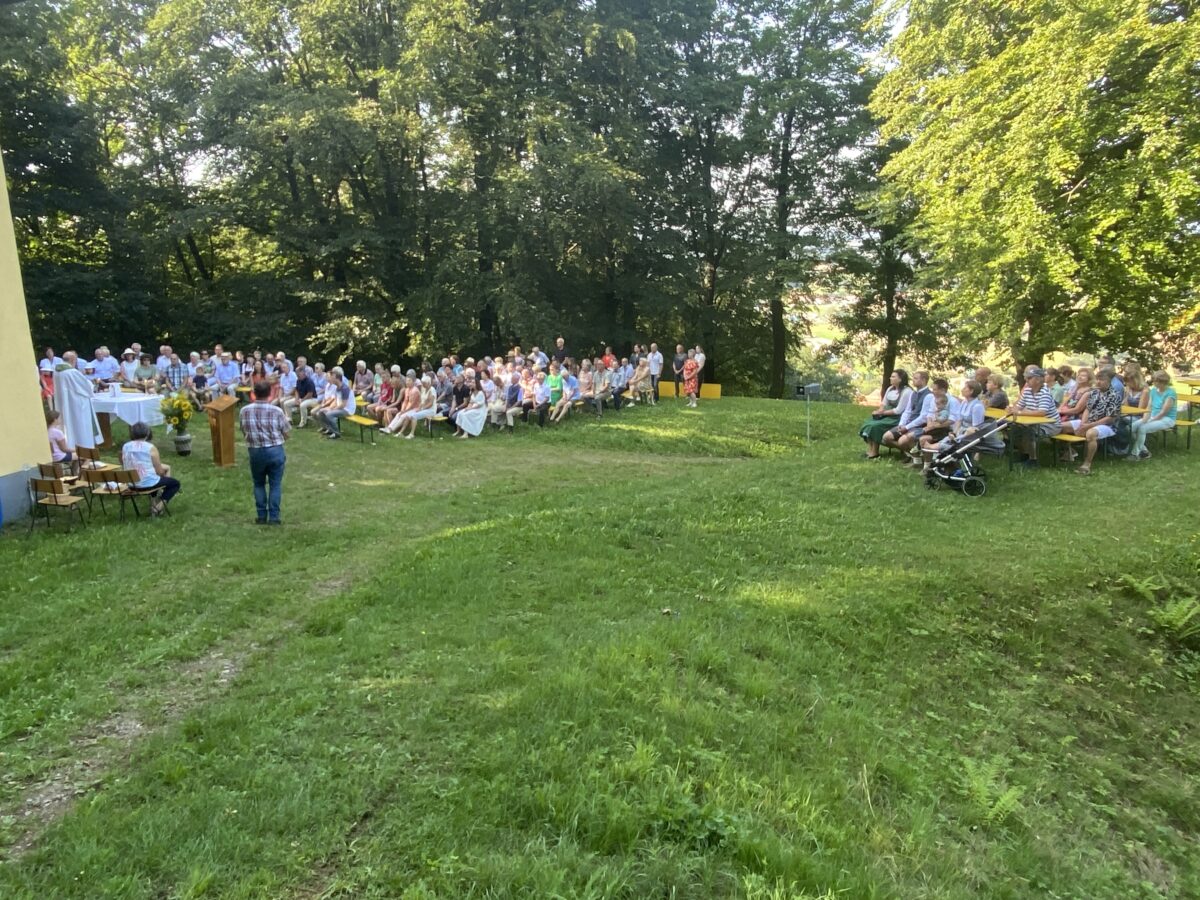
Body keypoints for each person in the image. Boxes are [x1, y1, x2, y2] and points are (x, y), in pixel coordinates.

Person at [238, 380, 290, 524]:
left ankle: (261, 516)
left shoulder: (244, 410)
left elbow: (243, 430)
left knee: (259, 483)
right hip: (275, 450)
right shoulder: (277, 411)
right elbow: (286, 433)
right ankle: (274, 517)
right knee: (275, 484)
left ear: (254, 393)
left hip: (255, 451)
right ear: (270, 393)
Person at [121, 422, 181, 516]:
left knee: (153, 477)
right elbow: (159, 471)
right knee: (174, 484)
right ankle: (158, 508)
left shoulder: (126, 446)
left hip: (131, 484)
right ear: (147, 433)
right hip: (147, 484)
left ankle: (153, 502)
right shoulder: (150, 448)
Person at [1007, 366, 1060, 468]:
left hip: (1051, 425)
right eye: (1026, 378)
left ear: (1038, 379)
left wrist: (1019, 412)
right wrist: (1011, 409)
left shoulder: (1045, 393)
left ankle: (1033, 460)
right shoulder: (1027, 391)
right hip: (1033, 422)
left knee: (1029, 432)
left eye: (1029, 378)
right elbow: (1019, 406)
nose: (1026, 380)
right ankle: (1024, 454)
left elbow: (1041, 412)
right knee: (1014, 430)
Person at [1074, 368, 1122, 476]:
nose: (1099, 382)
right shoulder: (1094, 392)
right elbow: (1088, 409)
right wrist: (1083, 423)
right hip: (1089, 422)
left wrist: (1089, 426)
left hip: (1107, 425)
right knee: (1062, 426)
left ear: (1109, 381)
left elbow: (1110, 418)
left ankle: (1087, 463)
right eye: (1097, 379)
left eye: (1102, 380)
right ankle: (1069, 452)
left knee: (1090, 433)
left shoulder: (1115, 396)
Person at [52, 352, 100, 450]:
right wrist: (93, 384)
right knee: (80, 426)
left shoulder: (56, 371)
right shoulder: (72, 372)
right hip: (78, 404)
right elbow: (86, 387)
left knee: (69, 424)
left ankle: (71, 444)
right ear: (72, 360)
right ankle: (85, 446)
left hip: (65, 402)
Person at [860, 369, 911, 460]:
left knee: (875, 426)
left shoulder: (907, 392)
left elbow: (898, 410)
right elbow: (884, 403)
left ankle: (874, 452)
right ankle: (871, 449)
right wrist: (878, 412)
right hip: (886, 415)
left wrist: (882, 413)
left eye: (893, 376)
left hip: (898, 418)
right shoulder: (890, 389)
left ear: (900, 379)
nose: (890, 378)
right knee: (868, 423)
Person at [882, 370, 933, 458]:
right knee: (886, 437)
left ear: (924, 380)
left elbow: (923, 417)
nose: (913, 380)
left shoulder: (928, 396)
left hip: (919, 426)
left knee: (902, 441)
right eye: (913, 378)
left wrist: (907, 427)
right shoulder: (913, 393)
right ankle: (912, 454)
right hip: (908, 424)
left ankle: (916, 458)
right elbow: (907, 411)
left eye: (916, 378)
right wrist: (901, 424)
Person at [1128, 371, 1176, 461]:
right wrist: (1145, 418)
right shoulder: (1153, 390)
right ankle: (1145, 451)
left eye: (1155, 381)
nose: (1153, 383)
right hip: (1153, 416)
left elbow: (1163, 412)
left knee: (1142, 428)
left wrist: (1151, 420)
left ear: (1162, 382)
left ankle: (1135, 454)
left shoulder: (1170, 393)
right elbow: (1149, 407)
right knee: (1131, 428)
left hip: (1167, 419)